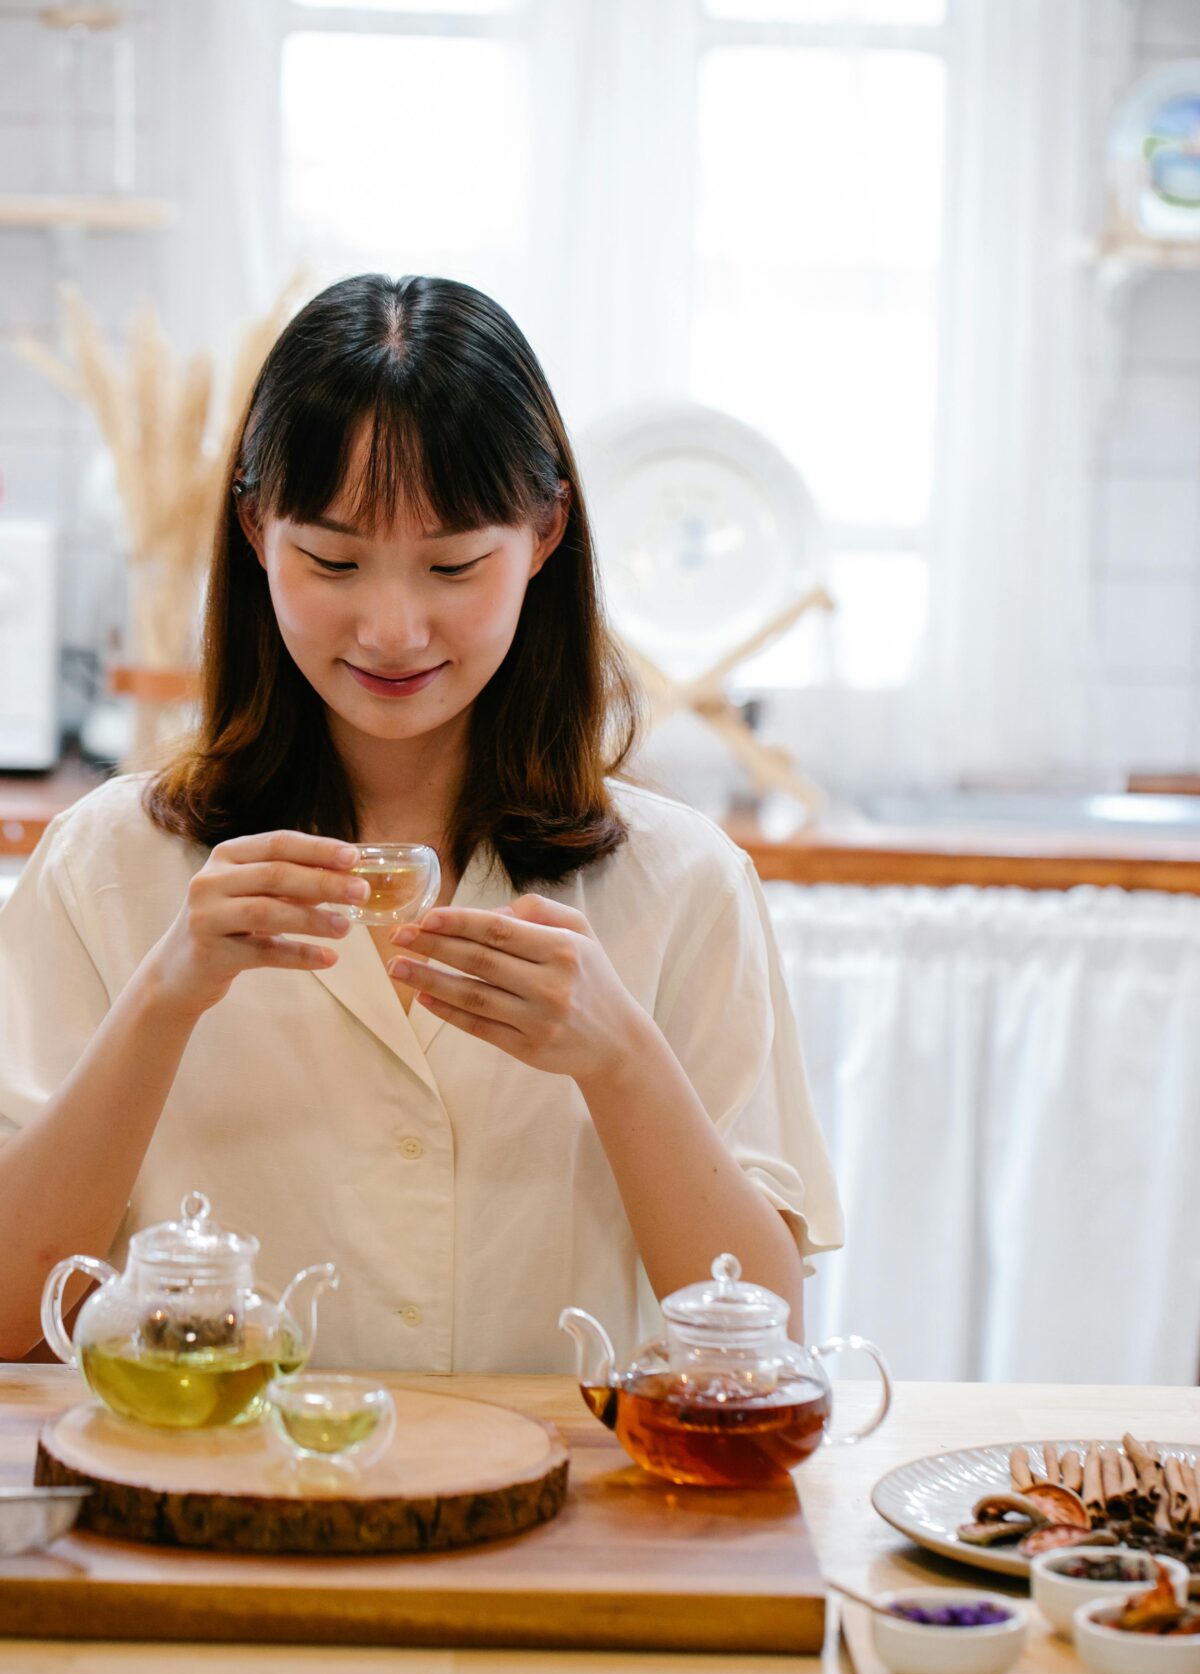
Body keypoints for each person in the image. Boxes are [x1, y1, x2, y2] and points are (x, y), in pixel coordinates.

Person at [0, 273, 841, 1371]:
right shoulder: (111, 864)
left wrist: (621, 1058)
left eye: (452, 565)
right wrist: (164, 999)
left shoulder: (683, 882)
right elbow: (11, 1320)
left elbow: (763, 1351)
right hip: (216, 1520)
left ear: (544, 536)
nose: (392, 629)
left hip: (561, 1533)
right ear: (258, 531)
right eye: (334, 561)